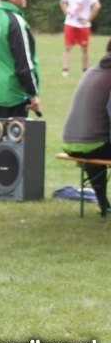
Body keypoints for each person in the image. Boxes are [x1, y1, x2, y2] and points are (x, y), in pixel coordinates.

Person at [62, 38, 111, 217]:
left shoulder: (92, 71)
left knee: (94, 145)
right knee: (97, 144)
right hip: (93, 144)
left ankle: (103, 203)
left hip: (70, 141)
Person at [60, 0, 101, 76]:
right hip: (70, 23)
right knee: (67, 47)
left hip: (83, 26)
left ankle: (85, 70)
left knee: (84, 48)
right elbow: (62, 1)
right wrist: (66, 12)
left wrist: (88, 19)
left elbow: (97, 5)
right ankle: (65, 70)